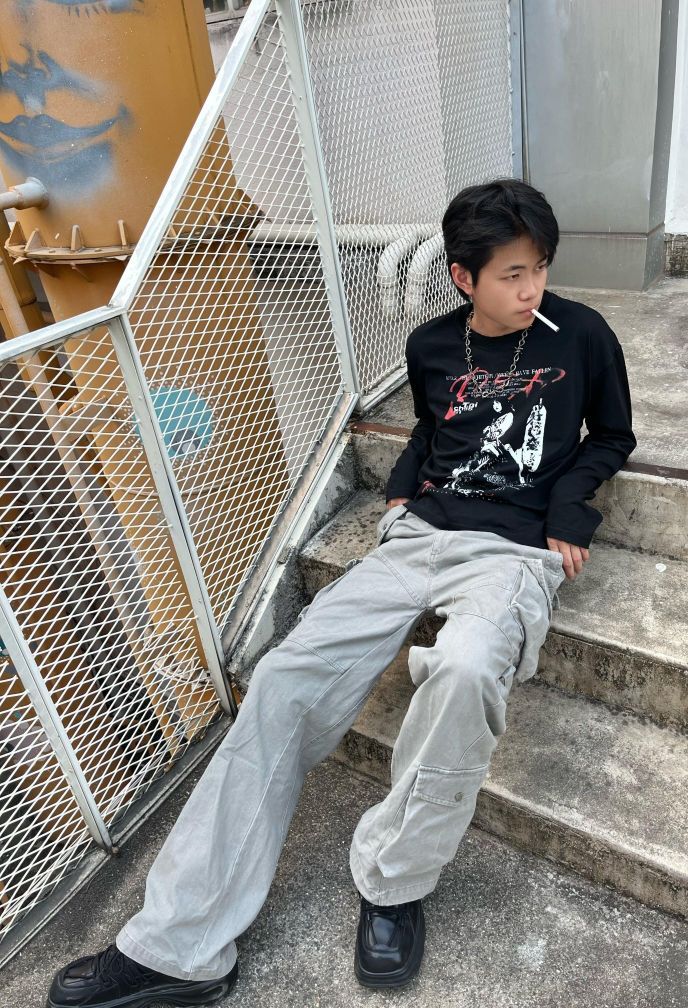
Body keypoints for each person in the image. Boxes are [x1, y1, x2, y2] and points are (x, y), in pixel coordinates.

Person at [47, 179, 635, 1007]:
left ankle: (395, 882)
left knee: (466, 669)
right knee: (284, 679)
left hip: (511, 549)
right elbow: (434, 429)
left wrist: (571, 507)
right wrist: (399, 492)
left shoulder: (582, 334)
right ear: (463, 278)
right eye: (511, 274)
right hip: (419, 534)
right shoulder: (432, 344)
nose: (531, 288)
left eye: (539, 267)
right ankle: (179, 947)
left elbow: (611, 434)